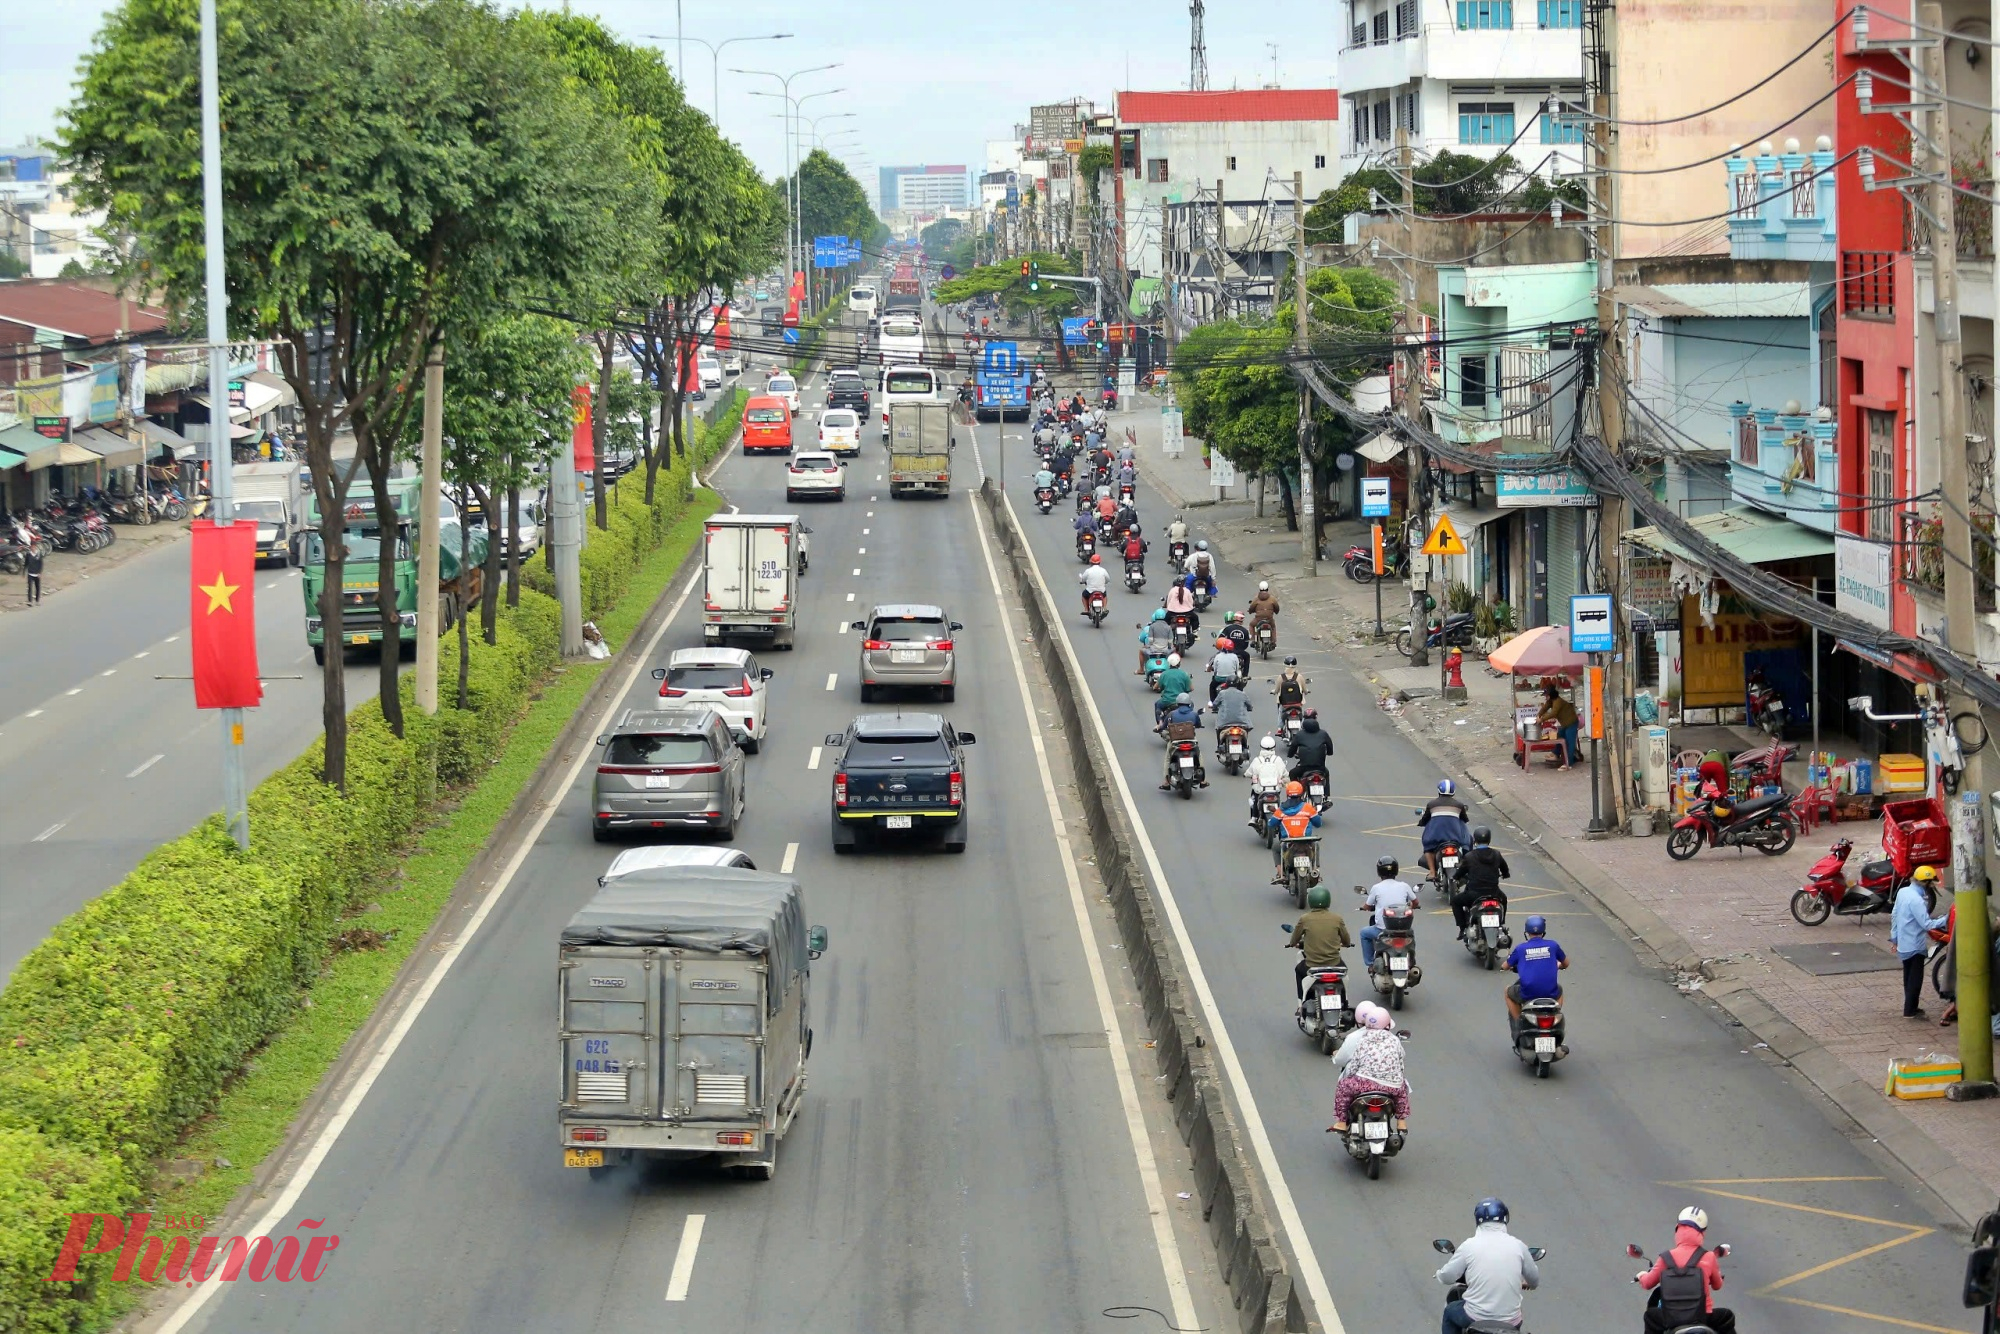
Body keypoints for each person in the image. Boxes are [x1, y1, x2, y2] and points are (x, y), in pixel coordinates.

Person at [1436, 1199, 1539, 1334]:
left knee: (1450, 1312)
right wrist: (1525, 1283)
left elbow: (1447, 1277)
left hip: (1474, 1317)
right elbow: (1534, 1281)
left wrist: (1439, 1274)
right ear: (1505, 1218)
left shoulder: (1469, 1245)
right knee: (1516, 1314)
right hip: (1511, 1322)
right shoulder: (1519, 1246)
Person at [1635, 1207, 1734, 1334]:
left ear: (1678, 1229)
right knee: (1727, 1316)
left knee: (1650, 1316)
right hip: (1703, 1317)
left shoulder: (1665, 1258)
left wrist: (1642, 1276)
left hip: (1670, 1318)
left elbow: (1648, 1283)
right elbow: (1717, 1285)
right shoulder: (1709, 1257)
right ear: (1702, 1232)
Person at [1330, 1003, 1410, 1133]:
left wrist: (1349, 1077)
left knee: (1342, 1087)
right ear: (1387, 1024)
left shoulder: (1363, 1040)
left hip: (1365, 1084)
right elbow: (1401, 1060)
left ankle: (1341, 1122)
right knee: (1402, 1093)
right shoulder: (1395, 1040)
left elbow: (1354, 1064)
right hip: (1392, 1086)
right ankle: (1401, 1122)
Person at [1893, 866, 1948, 1020]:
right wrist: (1946, 919)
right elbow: (1927, 924)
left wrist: (1894, 936)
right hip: (1915, 944)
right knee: (1915, 978)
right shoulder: (1917, 900)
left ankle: (1910, 1006)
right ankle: (1910, 1010)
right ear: (1926, 882)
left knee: (1908, 976)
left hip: (1903, 942)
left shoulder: (1903, 892)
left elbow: (1895, 914)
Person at [1503, 915, 1567, 1028]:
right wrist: (1559, 965)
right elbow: (1566, 963)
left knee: (1508, 992)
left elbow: (1505, 966)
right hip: (1550, 992)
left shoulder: (1520, 948)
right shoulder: (1553, 945)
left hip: (1527, 993)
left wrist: (1508, 965)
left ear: (1527, 931)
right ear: (1543, 931)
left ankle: (1519, 1022)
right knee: (1560, 990)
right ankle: (1554, 1014)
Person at [1360, 857, 1418, 969]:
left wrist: (1364, 907)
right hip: (1403, 930)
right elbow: (1415, 902)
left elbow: (1367, 906)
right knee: (1411, 936)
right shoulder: (1404, 886)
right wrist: (1411, 906)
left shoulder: (1376, 888)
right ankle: (1412, 960)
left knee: (1364, 933)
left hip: (1382, 931)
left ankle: (1370, 964)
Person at [1452, 826, 1511, 934]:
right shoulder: (1497, 854)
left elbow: (1461, 871)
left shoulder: (1469, 856)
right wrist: (1506, 874)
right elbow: (1505, 869)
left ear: (1474, 840)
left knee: (1455, 901)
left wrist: (1456, 877)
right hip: (1494, 893)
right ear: (1489, 840)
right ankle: (1501, 923)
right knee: (1504, 900)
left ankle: (1462, 928)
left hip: (1474, 894)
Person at [1268, 781, 1322, 883]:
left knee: (1275, 847)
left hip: (1288, 845)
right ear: (1301, 793)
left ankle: (1280, 873)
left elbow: (1271, 824)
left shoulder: (1281, 810)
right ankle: (1316, 870)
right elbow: (1318, 823)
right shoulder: (1308, 808)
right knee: (1316, 844)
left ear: (1288, 794)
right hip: (1307, 844)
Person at [1419, 779, 1472, 881]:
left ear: (1439, 791)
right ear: (1453, 791)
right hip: (1455, 838)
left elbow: (1425, 820)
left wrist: (1421, 823)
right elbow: (1465, 820)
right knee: (1468, 844)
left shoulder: (1431, 804)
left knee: (1428, 848)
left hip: (1436, 838)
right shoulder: (1459, 805)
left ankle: (1432, 872)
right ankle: (1466, 868)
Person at [1159, 693, 1206, 789]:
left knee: (1168, 757)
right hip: (1191, 741)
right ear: (1189, 703)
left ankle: (1166, 782)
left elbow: (1163, 726)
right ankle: (1203, 780)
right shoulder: (1194, 714)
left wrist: (1159, 728)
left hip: (1175, 742)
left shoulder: (1171, 714)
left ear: (1178, 703)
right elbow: (1198, 724)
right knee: (1199, 755)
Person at [1246, 734, 1290, 826]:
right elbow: (1285, 773)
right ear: (1274, 747)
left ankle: (1254, 818)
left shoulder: (1257, 760)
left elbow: (1248, 773)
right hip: (1275, 790)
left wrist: (1246, 775)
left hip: (1260, 790)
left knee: (1255, 798)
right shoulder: (1278, 760)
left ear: (1261, 747)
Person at [1535, 684, 1581, 768]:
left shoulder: (1558, 702)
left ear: (1550, 695)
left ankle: (1569, 763)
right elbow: (1544, 708)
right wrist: (1538, 715)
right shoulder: (1550, 701)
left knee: (1570, 743)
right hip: (1564, 724)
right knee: (1559, 737)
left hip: (1571, 723)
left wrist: (1542, 719)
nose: (1545, 697)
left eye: (1546, 695)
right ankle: (1556, 753)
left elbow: (1553, 713)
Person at [1287, 712, 1335, 780]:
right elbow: (1330, 747)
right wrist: (1329, 752)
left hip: (1304, 767)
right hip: (1320, 768)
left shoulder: (1300, 735)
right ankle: (1326, 791)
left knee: (1292, 773)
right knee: (1326, 775)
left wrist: (1290, 755)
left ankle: (1297, 789)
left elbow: (1293, 747)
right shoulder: (1323, 734)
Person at [1206, 676, 1255, 741]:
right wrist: (1249, 708)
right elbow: (1250, 706)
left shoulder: (1222, 693)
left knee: (1218, 730)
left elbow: (1214, 704)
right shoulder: (1243, 694)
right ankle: (1245, 745)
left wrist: (1212, 706)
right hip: (1242, 722)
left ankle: (1219, 746)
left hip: (1224, 723)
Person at [1153, 653, 1194, 727]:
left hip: (1166, 701)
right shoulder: (1184, 674)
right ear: (1179, 663)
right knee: (1191, 705)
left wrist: (1161, 688)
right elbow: (1191, 688)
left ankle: (1160, 723)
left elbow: (1155, 687)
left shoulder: (1164, 674)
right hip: (1182, 701)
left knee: (1157, 705)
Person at [1138, 608, 1175, 675]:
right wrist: (1170, 647)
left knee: (1141, 651)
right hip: (1165, 650)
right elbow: (1170, 641)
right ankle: (1174, 668)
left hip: (1153, 650)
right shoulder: (1168, 627)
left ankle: (1141, 669)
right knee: (1175, 651)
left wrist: (1149, 646)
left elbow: (1150, 640)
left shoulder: (1152, 626)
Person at [1207, 637, 1243, 703]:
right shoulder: (1234, 656)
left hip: (1219, 679)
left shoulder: (1218, 656)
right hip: (1231, 679)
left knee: (1212, 687)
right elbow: (1237, 668)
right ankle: (1240, 699)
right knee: (1240, 685)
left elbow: (1215, 669)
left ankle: (1213, 702)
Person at [23, 541, 43, 606]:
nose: (33, 548)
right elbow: (26, 564)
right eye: (32, 547)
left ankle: (37, 601)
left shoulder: (39, 554)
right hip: (30, 573)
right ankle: (30, 601)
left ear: (35, 547)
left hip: (37, 573)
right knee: (30, 587)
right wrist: (24, 572)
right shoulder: (28, 554)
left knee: (37, 587)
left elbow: (41, 564)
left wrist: (40, 572)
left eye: (34, 547)